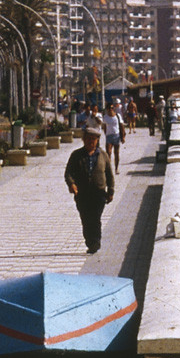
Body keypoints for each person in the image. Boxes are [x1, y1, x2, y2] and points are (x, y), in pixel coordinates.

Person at [64, 125, 114, 253]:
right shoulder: (76, 155)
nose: (90, 141)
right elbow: (68, 173)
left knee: (95, 218)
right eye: (88, 139)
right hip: (82, 194)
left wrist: (111, 191)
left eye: (93, 139)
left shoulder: (103, 155)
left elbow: (109, 174)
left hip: (99, 193)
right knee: (86, 219)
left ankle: (95, 242)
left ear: (97, 141)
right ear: (84, 140)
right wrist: (72, 184)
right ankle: (90, 242)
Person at [101, 101, 125, 167]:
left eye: (112, 108)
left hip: (116, 136)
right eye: (109, 108)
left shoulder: (117, 116)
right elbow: (104, 127)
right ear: (107, 109)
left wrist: (123, 137)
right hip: (109, 136)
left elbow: (122, 126)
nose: (110, 109)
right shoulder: (105, 117)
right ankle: (109, 168)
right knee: (108, 153)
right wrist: (106, 134)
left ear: (113, 108)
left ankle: (116, 168)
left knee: (116, 153)